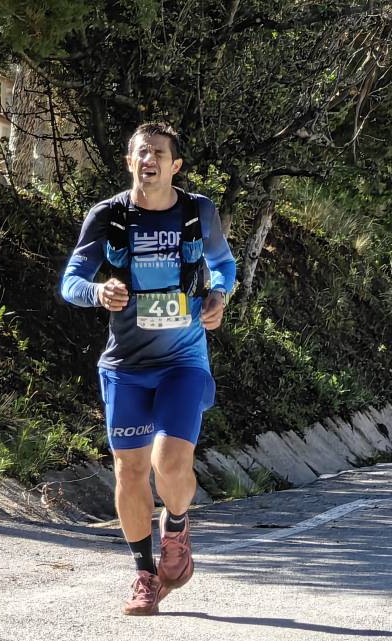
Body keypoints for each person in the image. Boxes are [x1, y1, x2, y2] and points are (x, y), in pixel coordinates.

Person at [60, 122, 236, 615]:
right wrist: (97, 292)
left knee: (169, 462)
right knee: (129, 469)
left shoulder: (198, 212)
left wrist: (219, 294)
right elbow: (71, 280)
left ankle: (176, 525)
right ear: (129, 161)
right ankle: (142, 574)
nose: (149, 159)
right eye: (141, 152)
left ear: (174, 165)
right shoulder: (109, 216)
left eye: (159, 152)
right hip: (126, 366)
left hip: (183, 360)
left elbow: (224, 264)